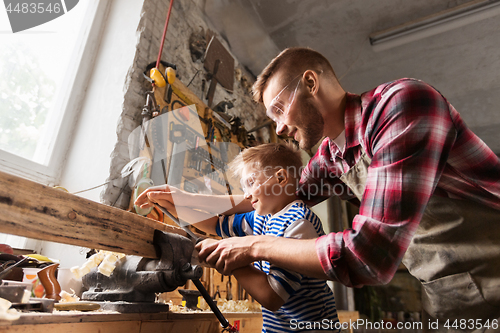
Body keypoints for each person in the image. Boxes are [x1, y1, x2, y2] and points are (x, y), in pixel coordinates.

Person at [136, 47, 500, 332]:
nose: (278, 128)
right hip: (447, 292)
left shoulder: (401, 107)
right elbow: (267, 195)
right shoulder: (332, 155)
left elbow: (369, 258)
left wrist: (254, 246)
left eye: (279, 109)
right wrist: (184, 200)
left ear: (311, 83)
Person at [139, 142, 340, 332]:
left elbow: (273, 297)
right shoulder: (262, 218)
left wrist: (232, 261)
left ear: (280, 178)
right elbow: (214, 224)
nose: (245, 195)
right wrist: (171, 205)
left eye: (251, 183)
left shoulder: (298, 223)